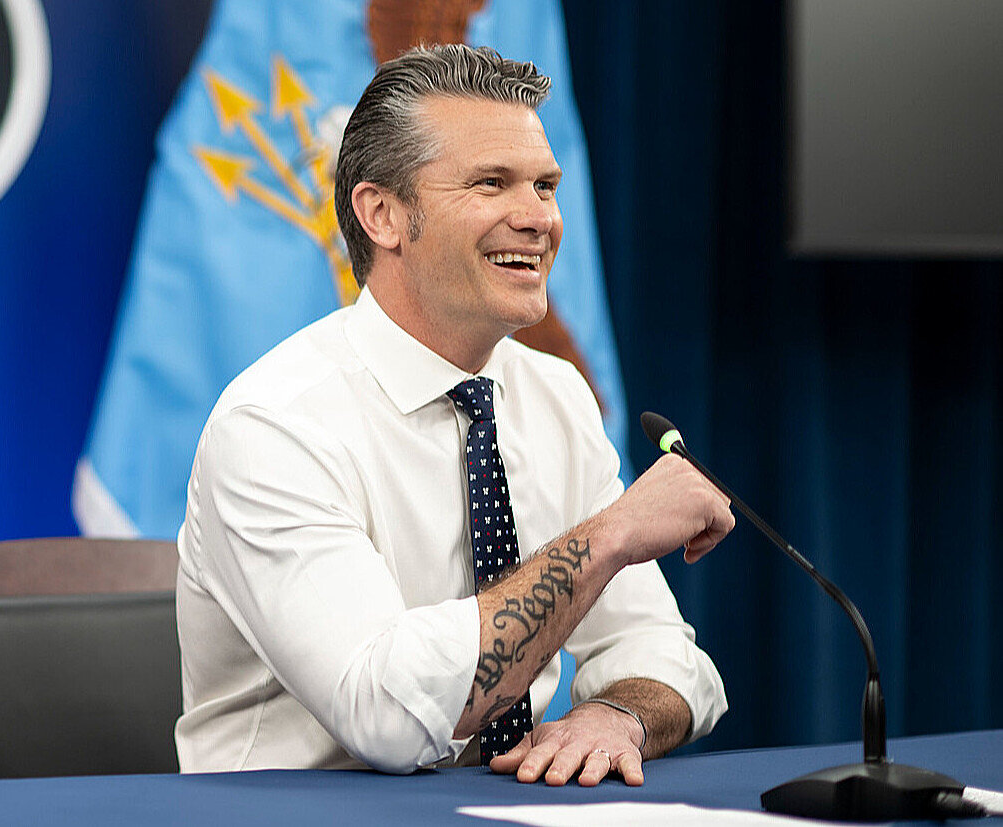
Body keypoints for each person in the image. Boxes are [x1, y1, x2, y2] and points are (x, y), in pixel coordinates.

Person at [173, 44, 734, 787]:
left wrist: (616, 714)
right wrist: (612, 534)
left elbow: (665, 655)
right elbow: (386, 715)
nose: (538, 219)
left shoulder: (556, 396)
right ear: (382, 214)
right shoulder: (274, 424)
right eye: (491, 183)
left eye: (545, 185)